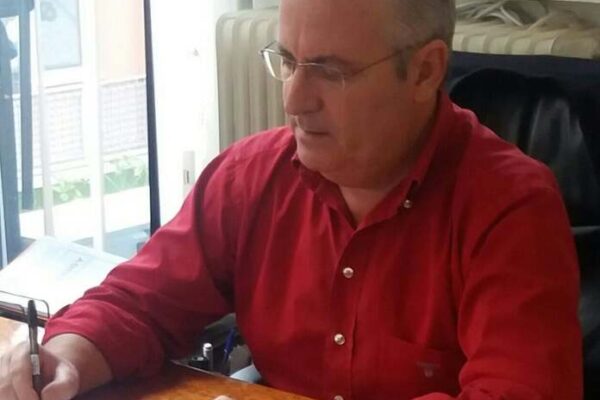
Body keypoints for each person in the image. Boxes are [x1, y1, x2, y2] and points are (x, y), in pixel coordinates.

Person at [0, 0, 582, 399]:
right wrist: (66, 357)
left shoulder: (510, 208)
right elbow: (138, 303)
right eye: (287, 62)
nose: (294, 100)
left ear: (425, 71)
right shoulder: (251, 177)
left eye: (329, 70)